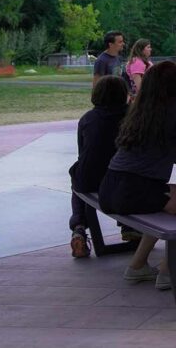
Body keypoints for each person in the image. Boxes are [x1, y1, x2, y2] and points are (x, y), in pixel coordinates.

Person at [98, 61, 176, 291]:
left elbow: (149, 146)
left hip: (109, 187)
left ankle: (137, 265)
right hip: (137, 189)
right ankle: (169, 270)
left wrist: (172, 151)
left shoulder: (139, 106)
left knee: (165, 206)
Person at [68, 76, 132, 258]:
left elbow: (83, 152)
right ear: (123, 94)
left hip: (89, 179)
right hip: (119, 179)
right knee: (130, 177)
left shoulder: (88, 118)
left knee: (78, 176)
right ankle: (129, 226)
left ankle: (79, 227)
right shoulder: (132, 116)